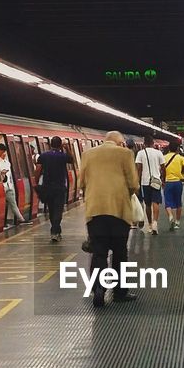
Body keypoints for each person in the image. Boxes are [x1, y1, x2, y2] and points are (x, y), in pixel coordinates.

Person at [80, 131, 139, 307]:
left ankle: (98, 288)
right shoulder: (126, 154)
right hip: (119, 211)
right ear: (119, 143)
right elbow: (133, 184)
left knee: (99, 252)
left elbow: (81, 183)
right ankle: (120, 292)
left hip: (95, 211)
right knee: (120, 252)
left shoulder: (87, 154)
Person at [35, 136, 71, 241]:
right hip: (60, 188)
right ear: (60, 145)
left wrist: (35, 182)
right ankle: (55, 232)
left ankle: (55, 231)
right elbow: (71, 159)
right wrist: (67, 148)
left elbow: (38, 169)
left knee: (51, 210)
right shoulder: (63, 156)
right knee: (58, 210)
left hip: (47, 187)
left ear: (50, 144)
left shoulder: (43, 156)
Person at [134, 135, 164, 235]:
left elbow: (138, 169)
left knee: (147, 204)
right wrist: (163, 179)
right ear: (153, 143)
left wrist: (137, 182)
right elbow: (163, 167)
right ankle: (155, 223)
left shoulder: (140, 153)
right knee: (156, 202)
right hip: (156, 181)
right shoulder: (158, 153)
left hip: (145, 182)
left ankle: (150, 224)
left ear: (144, 144)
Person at [0, 143, 27, 226]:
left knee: (13, 204)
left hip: (8, 185)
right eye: (2, 152)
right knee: (3, 205)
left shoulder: (7, 163)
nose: (3, 153)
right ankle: (3, 222)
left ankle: (21, 220)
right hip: (1, 186)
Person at [161, 144, 184, 231]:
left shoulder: (164, 157)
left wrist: (162, 179)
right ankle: (177, 222)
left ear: (169, 149)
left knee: (168, 202)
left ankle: (170, 216)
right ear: (177, 149)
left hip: (168, 183)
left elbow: (161, 169)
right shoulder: (180, 158)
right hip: (178, 182)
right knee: (178, 203)